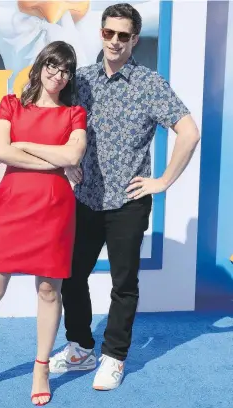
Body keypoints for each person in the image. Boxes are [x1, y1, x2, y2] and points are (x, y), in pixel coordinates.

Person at [49, 3, 200, 391]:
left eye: (123, 35)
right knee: (70, 276)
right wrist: (67, 164)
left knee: (123, 283)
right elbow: (57, 126)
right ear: (100, 33)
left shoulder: (149, 84)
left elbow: (189, 132)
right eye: (108, 33)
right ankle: (81, 348)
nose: (114, 41)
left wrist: (163, 180)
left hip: (129, 201)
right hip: (85, 197)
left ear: (134, 39)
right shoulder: (81, 80)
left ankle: (114, 357)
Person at [0, 41, 87, 406]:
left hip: (54, 209)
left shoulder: (74, 113)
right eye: (52, 67)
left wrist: (24, 146)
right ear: (40, 67)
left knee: (48, 291)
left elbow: (72, 155)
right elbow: (0, 151)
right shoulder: (11, 104)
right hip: (12, 207)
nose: (58, 76)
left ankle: (41, 368)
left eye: (66, 70)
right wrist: (52, 162)